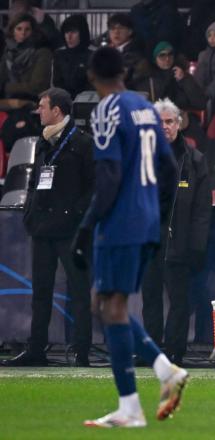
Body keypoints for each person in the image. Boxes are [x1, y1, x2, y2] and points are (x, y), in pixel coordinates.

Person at [70, 46, 185, 428]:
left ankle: (131, 406)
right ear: (124, 71)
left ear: (92, 77)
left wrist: (87, 226)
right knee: (104, 303)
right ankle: (164, 369)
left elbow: (109, 178)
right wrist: (157, 212)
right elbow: (168, 166)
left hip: (120, 222)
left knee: (110, 307)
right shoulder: (145, 106)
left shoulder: (106, 110)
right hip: (146, 219)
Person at [1, 87, 93, 368]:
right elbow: (35, 181)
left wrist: (74, 215)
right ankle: (36, 349)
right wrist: (30, 211)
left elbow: (95, 187)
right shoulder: (43, 142)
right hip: (42, 228)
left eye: (42, 106)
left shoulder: (83, 142)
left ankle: (81, 351)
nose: (38, 111)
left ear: (58, 110)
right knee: (41, 292)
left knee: (79, 291)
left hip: (70, 230)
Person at [141, 98, 212, 366]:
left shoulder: (194, 160)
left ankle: (174, 350)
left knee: (178, 301)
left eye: (169, 121)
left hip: (179, 240)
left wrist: (196, 246)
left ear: (179, 124)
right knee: (150, 298)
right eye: (159, 122)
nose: (164, 127)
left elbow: (202, 209)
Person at [132, 41, 205, 111]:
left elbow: (201, 103)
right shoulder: (146, 79)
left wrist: (184, 79)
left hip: (181, 119)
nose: (167, 59)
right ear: (155, 59)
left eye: (170, 54)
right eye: (162, 56)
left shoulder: (182, 76)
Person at [0, 13, 52, 100]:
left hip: (33, 103)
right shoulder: (8, 53)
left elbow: (36, 87)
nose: (23, 33)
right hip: (8, 102)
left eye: (27, 29)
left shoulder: (42, 53)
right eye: (19, 29)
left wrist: (5, 87)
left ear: (33, 31)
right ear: (13, 31)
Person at [53, 14, 95, 98]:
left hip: (86, 101)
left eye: (74, 32)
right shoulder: (59, 55)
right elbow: (57, 83)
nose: (69, 36)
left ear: (82, 33)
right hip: (63, 101)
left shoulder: (93, 55)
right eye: (66, 32)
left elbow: (92, 84)